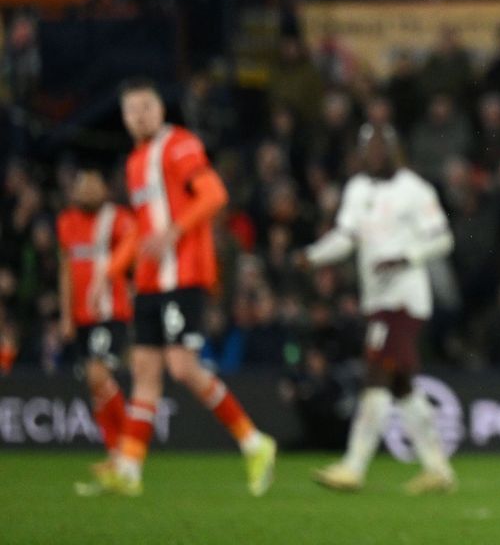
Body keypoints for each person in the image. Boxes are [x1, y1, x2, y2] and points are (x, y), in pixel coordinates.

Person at [91, 79, 277, 497]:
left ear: (160, 110)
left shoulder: (179, 145)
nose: (139, 115)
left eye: (146, 106)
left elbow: (214, 194)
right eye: (131, 109)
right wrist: (112, 270)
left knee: (182, 367)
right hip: (152, 281)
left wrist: (175, 231)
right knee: (145, 373)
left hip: (185, 275)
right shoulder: (136, 161)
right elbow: (142, 227)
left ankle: (254, 441)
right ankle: (130, 471)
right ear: (123, 118)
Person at [298, 124, 457, 494]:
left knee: (376, 371)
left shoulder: (415, 190)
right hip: (377, 300)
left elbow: (443, 238)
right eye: (368, 146)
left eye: (381, 146)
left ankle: (353, 466)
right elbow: (345, 237)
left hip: (404, 299)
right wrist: (312, 256)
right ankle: (438, 469)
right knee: (401, 383)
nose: (374, 153)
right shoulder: (357, 190)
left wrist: (406, 257)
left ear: (394, 149)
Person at [57, 168, 138, 494]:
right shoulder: (66, 222)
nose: (88, 190)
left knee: (97, 374)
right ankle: (116, 455)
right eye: (83, 184)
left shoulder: (118, 219)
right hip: (81, 316)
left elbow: (133, 255)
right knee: (96, 386)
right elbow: (65, 270)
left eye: (94, 184)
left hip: (111, 311)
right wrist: (65, 315)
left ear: (105, 189)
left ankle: (127, 451)